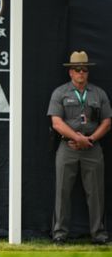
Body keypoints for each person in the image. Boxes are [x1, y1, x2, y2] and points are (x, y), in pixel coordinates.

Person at [47, 51, 112, 245]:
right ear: (70, 72)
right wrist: (77, 137)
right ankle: (59, 234)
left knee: (96, 193)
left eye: (85, 69)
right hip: (68, 147)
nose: (81, 72)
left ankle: (99, 235)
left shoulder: (98, 93)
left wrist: (89, 138)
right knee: (62, 192)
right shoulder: (60, 93)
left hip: (92, 148)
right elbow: (56, 123)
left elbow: (107, 122)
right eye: (77, 69)